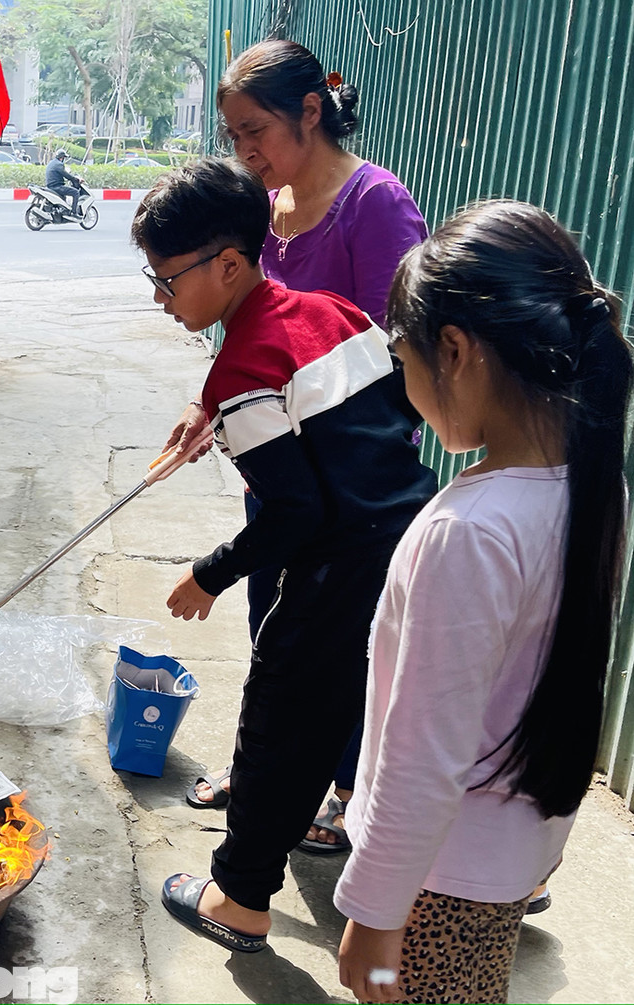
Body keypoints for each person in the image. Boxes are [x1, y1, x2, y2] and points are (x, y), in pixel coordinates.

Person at [133, 158, 435, 953]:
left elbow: (295, 511)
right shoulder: (331, 309)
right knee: (367, 713)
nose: (160, 299)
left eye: (167, 281)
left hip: (337, 568)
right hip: (411, 539)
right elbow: (398, 408)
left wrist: (211, 572)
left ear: (228, 264)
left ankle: (238, 898)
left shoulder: (241, 368)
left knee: (278, 724)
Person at [332, 200, 631, 1003]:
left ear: (455, 350)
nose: (405, 379)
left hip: (436, 882)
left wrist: (375, 909)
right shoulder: (594, 490)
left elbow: (423, 754)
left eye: (404, 357)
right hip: (502, 861)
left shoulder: (469, 531)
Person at [178, 41, 428, 855]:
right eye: (233, 135)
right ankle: (270, 778)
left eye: (255, 130)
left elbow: (403, 354)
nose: (244, 151)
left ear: (310, 112)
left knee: (341, 648)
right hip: (282, 470)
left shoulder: (373, 203)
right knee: (275, 628)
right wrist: (209, 403)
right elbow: (252, 332)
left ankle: (344, 792)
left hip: (347, 485)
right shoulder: (267, 209)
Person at [44, 149, 84, 217]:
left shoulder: (52, 163)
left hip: (50, 186)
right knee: (76, 192)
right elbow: (66, 175)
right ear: (62, 157)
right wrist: (76, 179)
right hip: (57, 187)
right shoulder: (59, 164)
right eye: (64, 158)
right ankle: (74, 213)